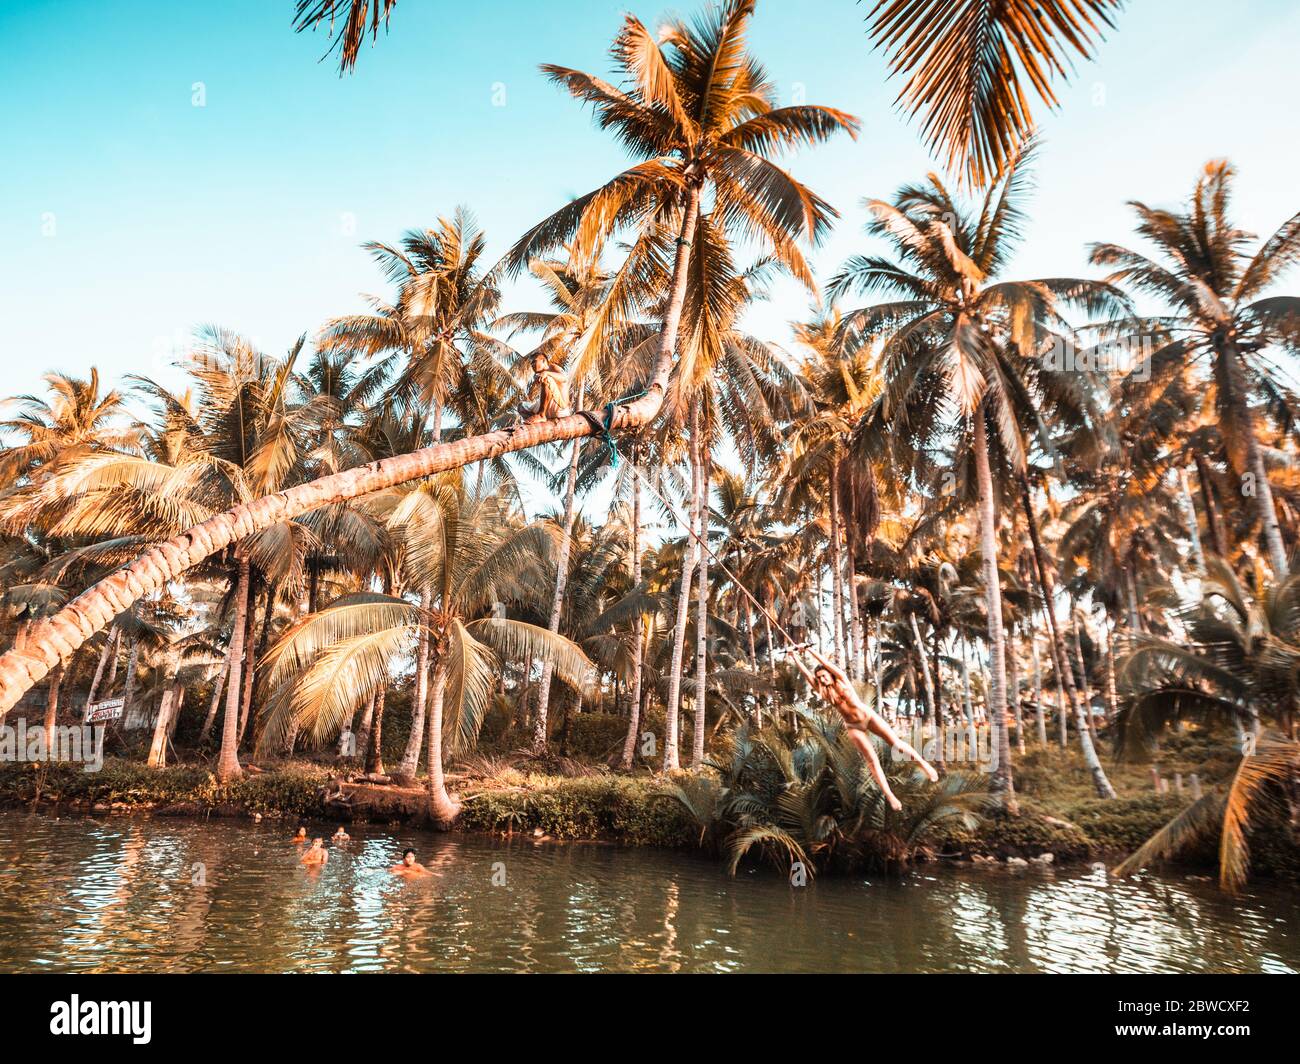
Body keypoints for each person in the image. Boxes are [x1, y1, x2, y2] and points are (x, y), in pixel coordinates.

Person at [791, 646, 938, 811]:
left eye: (824, 676)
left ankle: (925, 765)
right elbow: (806, 674)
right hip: (854, 727)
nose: (822, 680)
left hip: (868, 717)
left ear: (830, 675)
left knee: (896, 744)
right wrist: (794, 656)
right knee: (872, 761)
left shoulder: (842, 680)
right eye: (819, 678)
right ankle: (890, 796)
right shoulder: (824, 691)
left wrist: (809, 650)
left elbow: (825, 662)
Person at [516, 353, 570, 424]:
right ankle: (538, 418)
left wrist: (547, 373)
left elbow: (564, 378)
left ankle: (541, 415)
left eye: (534, 362)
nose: (532, 365)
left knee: (546, 379)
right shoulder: (539, 375)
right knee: (521, 406)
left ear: (543, 361)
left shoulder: (552, 367)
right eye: (531, 364)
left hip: (560, 408)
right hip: (547, 408)